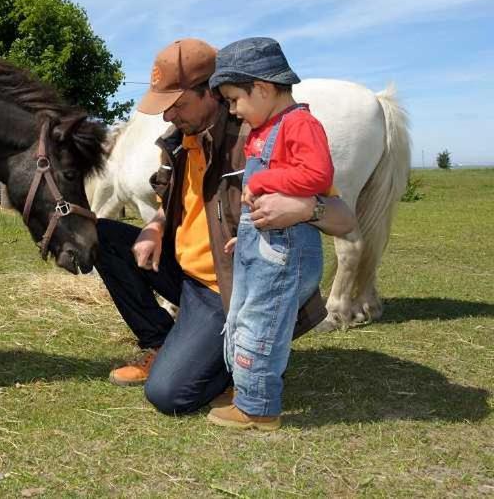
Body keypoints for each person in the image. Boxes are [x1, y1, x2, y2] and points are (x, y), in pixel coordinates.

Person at [95, 37, 355, 418]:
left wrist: (302, 207)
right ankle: (164, 343)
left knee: (169, 395)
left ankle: (228, 363)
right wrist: (155, 225)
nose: (169, 116)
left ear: (212, 95)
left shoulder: (257, 137)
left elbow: (344, 218)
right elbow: (173, 203)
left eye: (178, 105)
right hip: (184, 271)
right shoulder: (178, 141)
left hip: (226, 287)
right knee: (102, 236)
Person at [207, 37, 334, 431]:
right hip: (262, 243)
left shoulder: (300, 124)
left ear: (261, 88)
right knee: (242, 316)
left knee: (262, 323)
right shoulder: (267, 128)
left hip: (285, 248)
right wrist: (244, 237)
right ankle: (245, 389)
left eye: (234, 100)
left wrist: (267, 180)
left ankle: (259, 407)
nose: (233, 110)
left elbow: (318, 175)